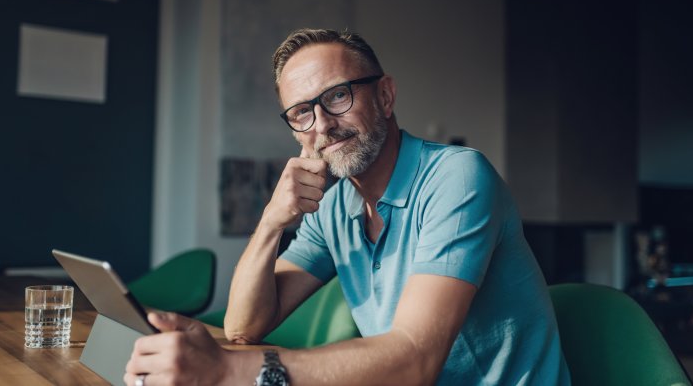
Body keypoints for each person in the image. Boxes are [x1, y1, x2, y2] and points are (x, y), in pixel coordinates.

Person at [124, 28, 571, 385]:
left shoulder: (457, 177)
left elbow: (416, 360)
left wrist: (228, 371)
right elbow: (244, 326)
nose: (323, 125)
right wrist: (271, 223)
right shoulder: (336, 206)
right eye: (302, 112)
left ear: (385, 96)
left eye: (338, 96)